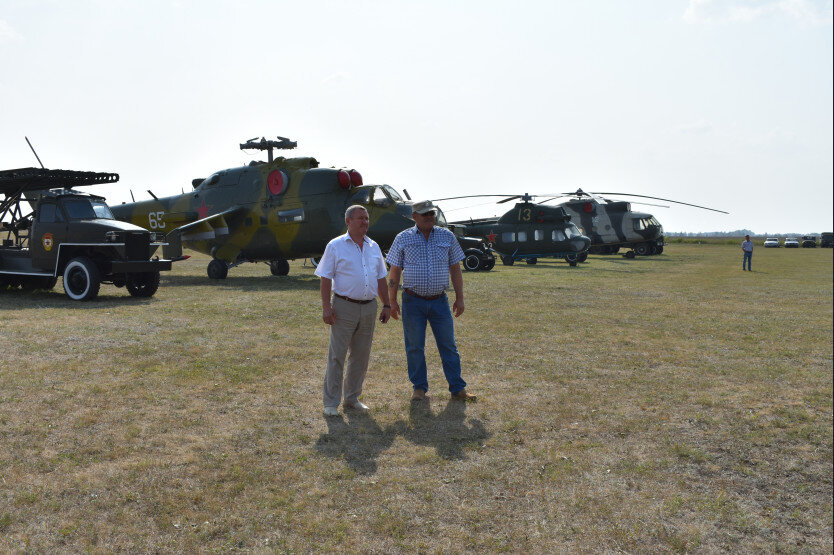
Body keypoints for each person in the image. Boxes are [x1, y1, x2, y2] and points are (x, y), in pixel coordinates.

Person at [386, 200, 476, 402]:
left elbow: (455, 268)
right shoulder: (402, 238)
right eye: (424, 213)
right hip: (412, 301)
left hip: (439, 301)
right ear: (414, 216)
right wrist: (392, 301)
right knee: (414, 347)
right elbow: (395, 270)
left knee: (448, 345)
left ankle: (457, 388)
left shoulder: (447, 236)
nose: (429, 217)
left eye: (431, 213)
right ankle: (419, 388)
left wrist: (460, 298)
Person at [315, 205, 391, 417]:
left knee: (361, 356)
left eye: (367, 218)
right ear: (348, 221)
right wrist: (326, 307)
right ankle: (331, 403)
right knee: (337, 356)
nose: (365, 222)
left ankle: (352, 398)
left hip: (369, 308)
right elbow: (325, 277)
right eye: (360, 218)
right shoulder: (335, 245)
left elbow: (381, 278)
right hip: (343, 307)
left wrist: (386, 304)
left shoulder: (374, 246)